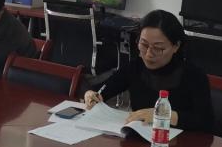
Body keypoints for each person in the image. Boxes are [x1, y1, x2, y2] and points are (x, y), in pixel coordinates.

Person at [84, 9, 213, 132]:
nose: (149, 54)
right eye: (144, 45)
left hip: (180, 143)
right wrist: (90, 95)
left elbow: (206, 122)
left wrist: (164, 115)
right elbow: (100, 89)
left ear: (176, 46)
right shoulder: (135, 67)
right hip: (140, 140)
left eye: (158, 48)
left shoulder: (194, 76)